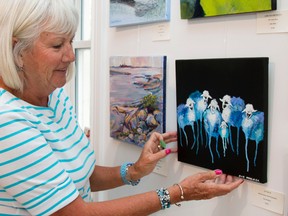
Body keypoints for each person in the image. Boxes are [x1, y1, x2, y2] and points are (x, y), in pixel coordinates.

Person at [0, 0, 244, 215]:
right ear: (17, 50)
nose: (71, 55)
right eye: (57, 45)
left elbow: (79, 178)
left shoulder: (55, 96)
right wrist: (179, 193)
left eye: (71, 41)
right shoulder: (7, 122)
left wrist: (135, 171)